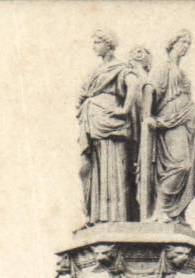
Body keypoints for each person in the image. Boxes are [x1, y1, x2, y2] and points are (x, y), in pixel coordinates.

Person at [78, 30, 148, 225]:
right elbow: (82, 94)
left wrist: (125, 109)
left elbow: (133, 85)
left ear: (108, 45)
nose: (94, 46)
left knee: (113, 166)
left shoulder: (119, 67)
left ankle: (114, 217)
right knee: (90, 168)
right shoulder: (95, 70)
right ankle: (95, 215)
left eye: (97, 42)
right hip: (92, 122)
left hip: (111, 123)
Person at [147, 29, 195, 224]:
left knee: (188, 169)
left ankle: (176, 213)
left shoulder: (182, 72)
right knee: (180, 164)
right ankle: (161, 209)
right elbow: (151, 91)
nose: (186, 47)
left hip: (188, 123)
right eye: (183, 42)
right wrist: (148, 116)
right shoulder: (164, 68)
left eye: (188, 44)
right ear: (172, 44)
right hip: (170, 120)